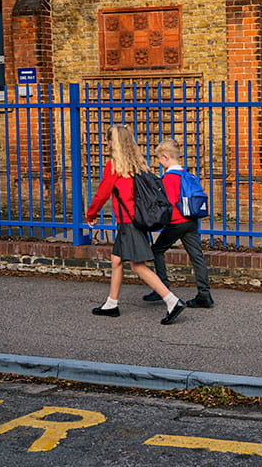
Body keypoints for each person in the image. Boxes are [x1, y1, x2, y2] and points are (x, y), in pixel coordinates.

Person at [85, 125, 186, 324]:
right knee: (116, 260)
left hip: (128, 222)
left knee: (138, 266)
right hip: (137, 219)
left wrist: (91, 213)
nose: (107, 144)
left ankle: (172, 301)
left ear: (112, 143)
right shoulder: (137, 164)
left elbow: (103, 193)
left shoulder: (114, 165)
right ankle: (111, 304)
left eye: (108, 141)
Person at [143, 138, 213, 308]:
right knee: (197, 256)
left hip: (176, 222)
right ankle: (204, 295)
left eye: (159, 159)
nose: (159, 162)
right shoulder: (188, 175)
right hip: (191, 221)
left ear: (165, 157)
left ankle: (162, 287)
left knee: (157, 250)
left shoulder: (168, 178)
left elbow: (167, 204)